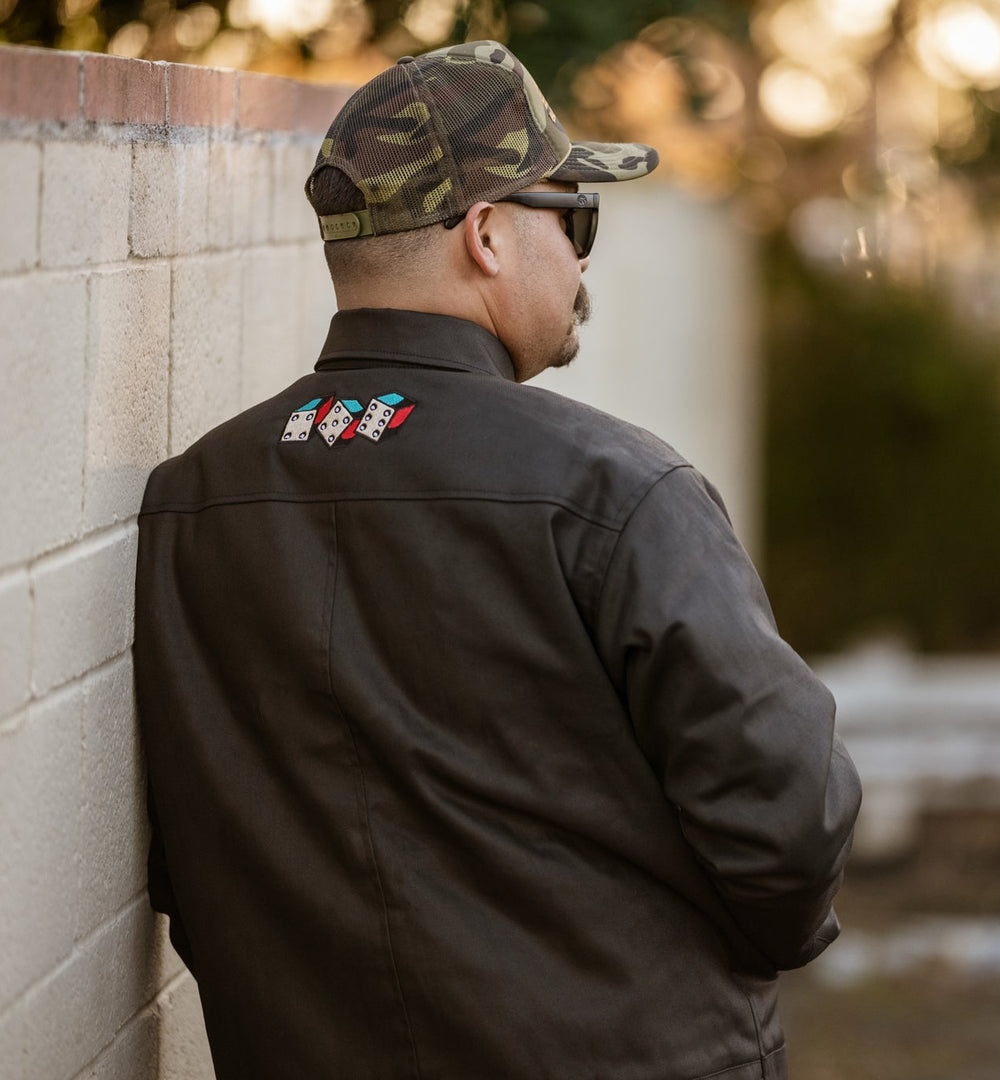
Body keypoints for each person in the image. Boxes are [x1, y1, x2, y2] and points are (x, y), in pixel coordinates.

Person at [134, 40, 861, 1080]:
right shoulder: (616, 490)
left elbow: (193, 866)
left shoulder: (191, 501)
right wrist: (715, 970)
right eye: (576, 219)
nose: (582, 261)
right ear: (485, 234)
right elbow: (790, 818)